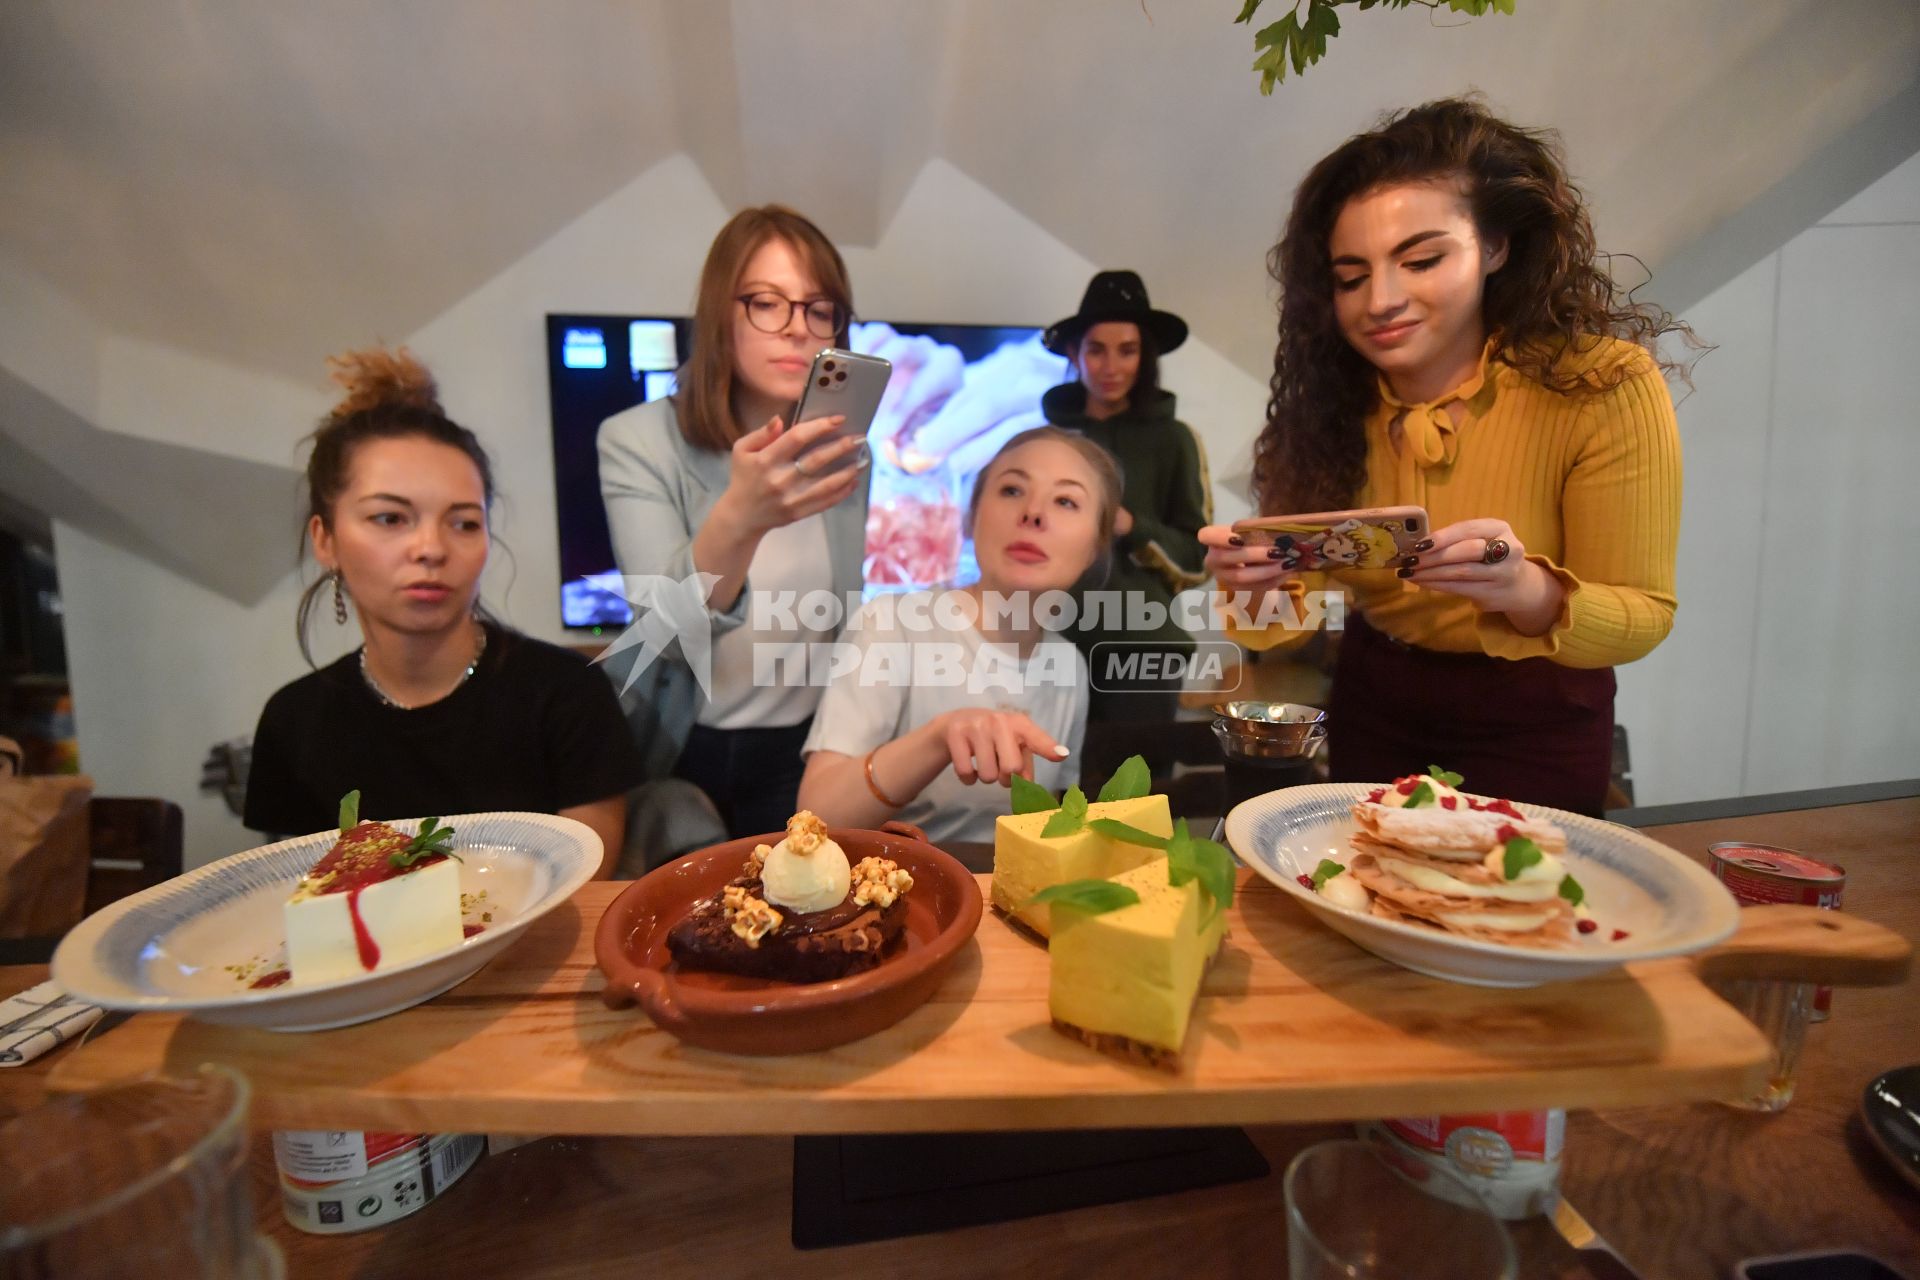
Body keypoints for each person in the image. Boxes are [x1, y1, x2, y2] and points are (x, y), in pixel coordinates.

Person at [1202, 98, 1693, 816]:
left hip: (1537, 711)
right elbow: (1281, 628)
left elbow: (1645, 615)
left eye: (1422, 259)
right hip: (1376, 695)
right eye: (1350, 277)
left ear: (1495, 246)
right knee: (1370, 897)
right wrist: (1252, 580)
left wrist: (1524, 589)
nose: (1382, 300)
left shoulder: (1601, 384)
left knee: (1514, 912)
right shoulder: (1329, 406)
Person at [244, 348, 643, 873]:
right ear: (326, 539)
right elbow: (301, 902)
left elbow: (583, 889)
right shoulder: (293, 722)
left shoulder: (569, 695)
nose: (431, 548)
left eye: (463, 523)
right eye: (390, 518)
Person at [598, 205, 869, 841]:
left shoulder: (845, 450)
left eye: (819, 308)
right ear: (723, 312)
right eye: (767, 303)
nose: (797, 331)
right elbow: (660, 635)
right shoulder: (638, 440)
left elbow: (843, 610)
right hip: (689, 744)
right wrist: (741, 520)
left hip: (809, 741)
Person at [795, 428, 1121, 845]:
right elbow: (816, 815)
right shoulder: (893, 626)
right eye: (1011, 490)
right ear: (971, 516)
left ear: (1096, 545)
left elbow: (1048, 821)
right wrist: (938, 739)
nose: (1034, 512)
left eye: (1066, 501)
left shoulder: (1068, 666)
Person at [1041, 270, 1211, 723]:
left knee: (1137, 790)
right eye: (1096, 349)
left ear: (1146, 357)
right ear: (1074, 354)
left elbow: (1199, 558)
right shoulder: (1048, 441)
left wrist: (1132, 526)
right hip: (1050, 643)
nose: (1111, 366)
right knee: (1044, 787)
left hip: (1144, 648)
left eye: (1127, 350)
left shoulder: (1176, 440)